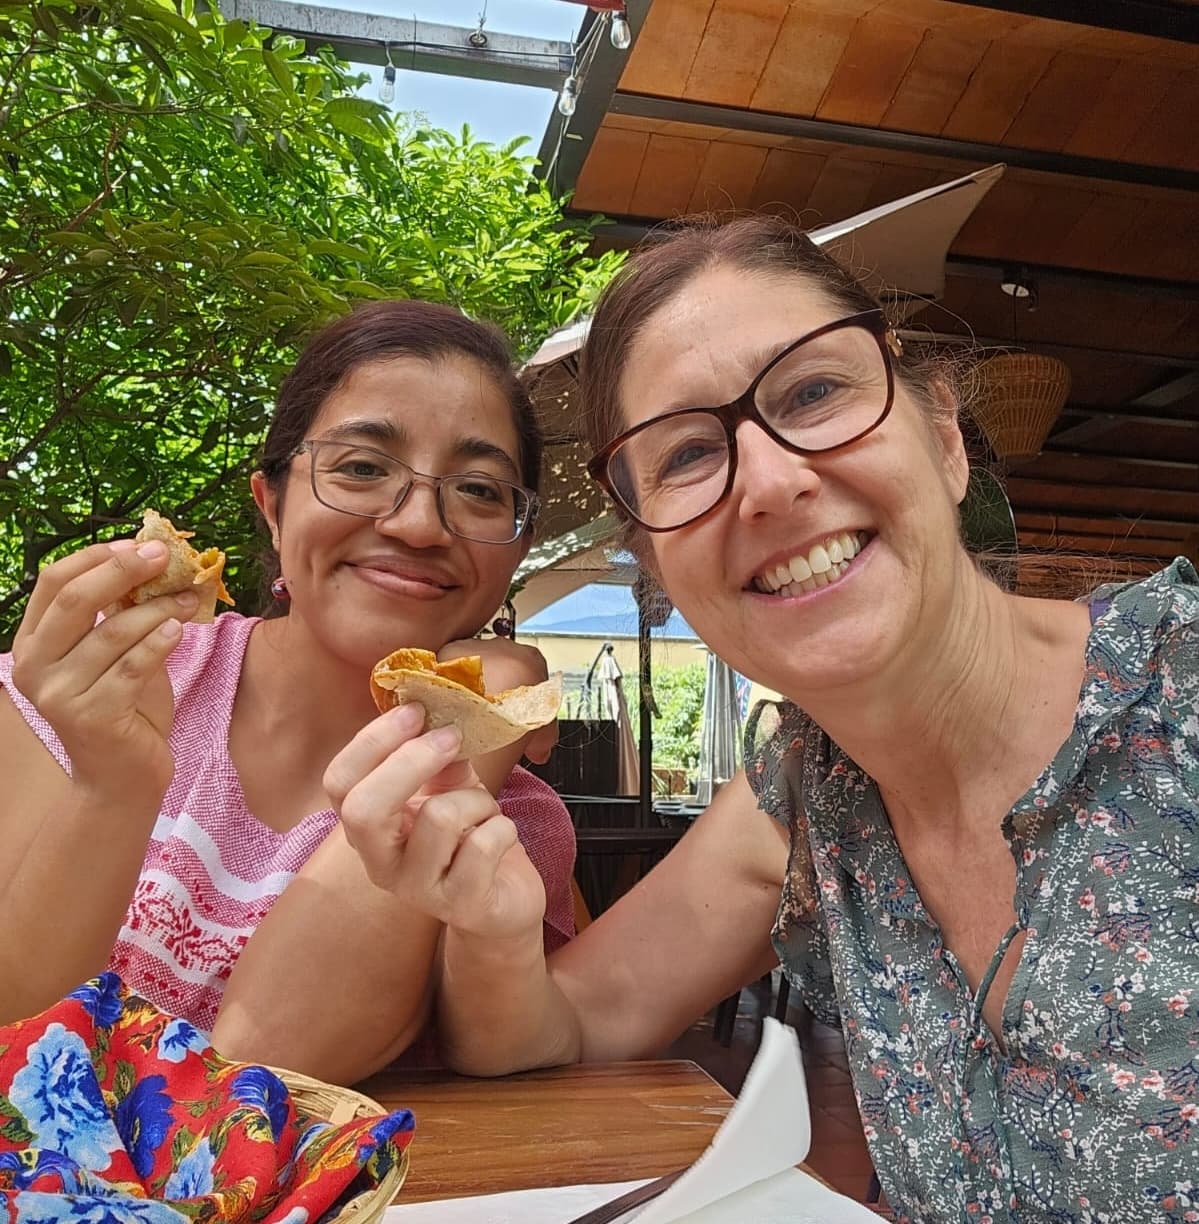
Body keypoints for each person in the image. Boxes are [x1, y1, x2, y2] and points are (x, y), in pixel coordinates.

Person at [328, 219, 1199, 1220]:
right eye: (689, 453)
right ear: (660, 570)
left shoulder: (1172, 692)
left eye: (813, 393)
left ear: (944, 439)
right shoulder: (803, 796)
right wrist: (491, 922)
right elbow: (550, 1031)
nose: (771, 483)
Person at [0, 300, 575, 1083]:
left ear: (516, 549)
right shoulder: (92, 689)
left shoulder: (504, 832)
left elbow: (247, 1076)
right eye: (362, 468)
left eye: (478, 489)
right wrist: (113, 785)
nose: (418, 525)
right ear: (271, 504)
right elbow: (18, 1051)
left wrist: (477, 712)